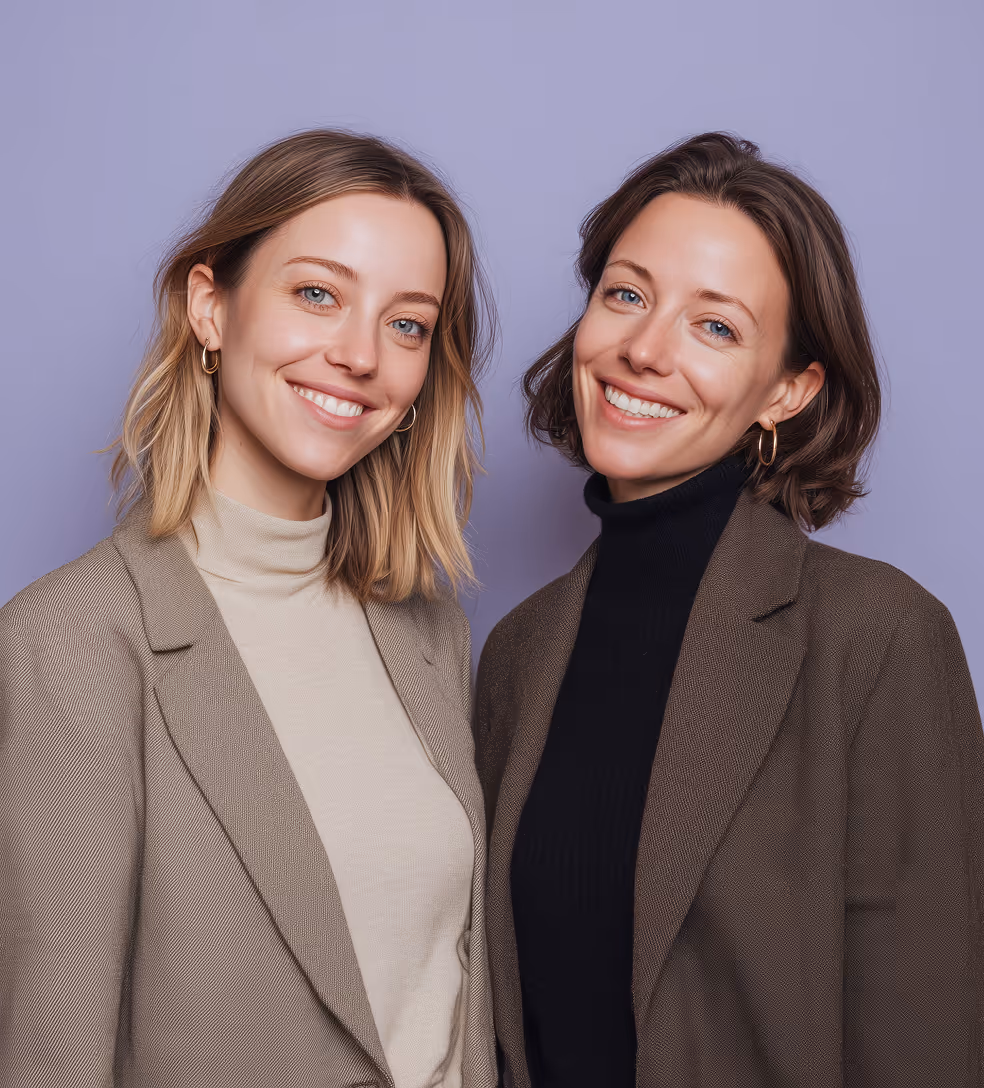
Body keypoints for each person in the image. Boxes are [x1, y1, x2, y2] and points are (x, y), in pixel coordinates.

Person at [474, 132, 983, 1088]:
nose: (643, 349)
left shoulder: (878, 639)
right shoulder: (517, 652)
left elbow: (928, 1034)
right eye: (626, 294)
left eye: (717, 327)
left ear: (788, 390)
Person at [0, 129, 497, 1088]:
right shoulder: (69, 643)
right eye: (318, 293)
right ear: (210, 307)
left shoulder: (429, 632)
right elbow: (50, 1055)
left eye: (408, 324)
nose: (359, 354)